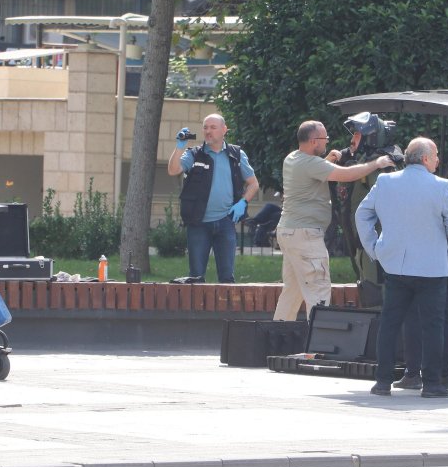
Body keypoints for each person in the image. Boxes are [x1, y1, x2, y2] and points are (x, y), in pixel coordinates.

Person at [355, 137, 448, 398]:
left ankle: (382, 382)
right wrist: (437, 234)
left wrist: (374, 248)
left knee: (390, 323)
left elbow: (361, 214)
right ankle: (432, 384)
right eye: (436, 155)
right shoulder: (442, 186)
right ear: (425, 158)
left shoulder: (385, 181)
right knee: (432, 325)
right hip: (432, 268)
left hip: (395, 265)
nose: (438, 160)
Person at [272, 120, 394, 321]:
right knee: (318, 291)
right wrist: (376, 164)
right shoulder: (311, 163)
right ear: (313, 141)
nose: (327, 141)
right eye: (324, 138)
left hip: (289, 232)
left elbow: (315, 171)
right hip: (306, 235)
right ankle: (318, 347)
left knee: (293, 291)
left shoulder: (292, 158)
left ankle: (277, 337)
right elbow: (346, 175)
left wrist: (327, 160)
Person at [168, 114, 259, 283]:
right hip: (198, 223)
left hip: (226, 222)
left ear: (224, 130)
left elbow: (253, 184)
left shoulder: (237, 154)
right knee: (195, 278)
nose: (208, 131)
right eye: (205, 127)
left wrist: (242, 202)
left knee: (227, 279)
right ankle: (195, 310)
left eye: (213, 127)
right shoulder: (194, 154)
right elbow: (173, 170)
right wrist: (179, 147)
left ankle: (226, 310)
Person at [395, 233, 448, 391]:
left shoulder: (410, 207)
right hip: (445, 263)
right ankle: (445, 375)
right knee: (442, 318)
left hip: (416, 264)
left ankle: (413, 374)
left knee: (413, 317)